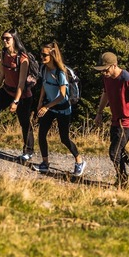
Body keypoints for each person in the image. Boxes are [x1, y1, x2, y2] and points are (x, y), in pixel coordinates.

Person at [91, 51, 129, 186]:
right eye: (101, 70)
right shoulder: (107, 78)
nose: (103, 73)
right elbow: (105, 94)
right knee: (119, 150)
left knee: (114, 152)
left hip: (128, 121)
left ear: (114, 65)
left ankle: (122, 180)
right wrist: (99, 112)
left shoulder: (128, 79)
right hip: (116, 120)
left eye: (105, 70)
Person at [34, 42, 86, 176]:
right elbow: (44, 86)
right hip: (50, 107)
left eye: (44, 55)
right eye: (41, 54)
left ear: (52, 56)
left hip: (62, 108)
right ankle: (45, 163)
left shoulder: (60, 72)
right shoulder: (44, 69)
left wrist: (46, 106)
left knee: (64, 138)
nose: (42, 57)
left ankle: (79, 161)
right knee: (41, 135)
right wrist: (40, 102)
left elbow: (62, 95)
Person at [0, 30, 35, 160]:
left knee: (24, 123)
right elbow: (2, 73)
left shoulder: (23, 58)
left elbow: (21, 82)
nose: (4, 41)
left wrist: (16, 101)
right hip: (6, 90)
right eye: (3, 38)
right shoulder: (4, 53)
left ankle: (28, 151)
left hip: (22, 95)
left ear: (14, 39)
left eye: (7, 38)